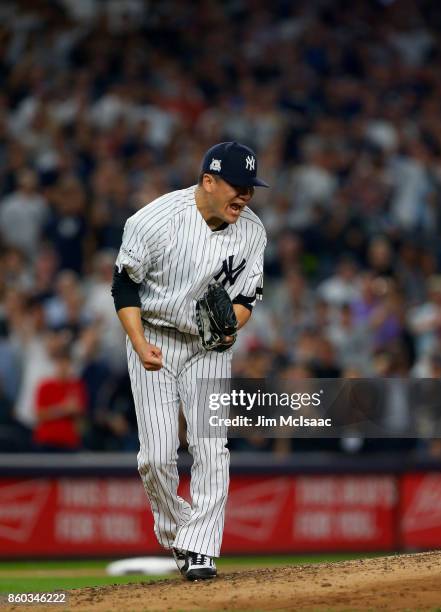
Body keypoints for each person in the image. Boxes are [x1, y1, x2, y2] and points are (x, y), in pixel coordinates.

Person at [112, 141, 268, 580]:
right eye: (237, 186)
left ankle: (201, 549)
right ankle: (179, 530)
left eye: (251, 188)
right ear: (208, 181)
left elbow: (247, 298)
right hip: (155, 337)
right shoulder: (154, 220)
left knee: (211, 449)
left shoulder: (253, 232)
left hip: (209, 349)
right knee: (156, 457)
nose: (245, 196)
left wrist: (228, 328)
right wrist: (140, 343)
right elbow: (123, 287)